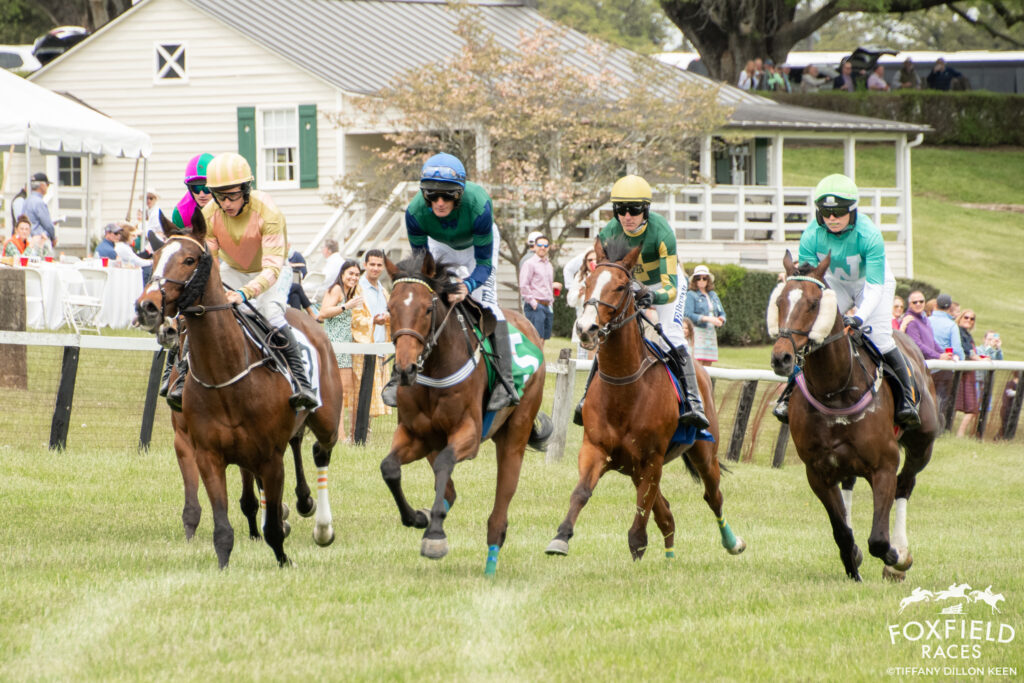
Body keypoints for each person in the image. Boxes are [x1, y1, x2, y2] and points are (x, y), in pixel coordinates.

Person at [773, 173, 921, 428]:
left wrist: (859, 316)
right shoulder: (811, 235)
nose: (832, 218)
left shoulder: (870, 235)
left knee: (881, 340)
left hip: (873, 284)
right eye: (826, 212)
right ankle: (788, 395)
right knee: (809, 335)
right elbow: (809, 281)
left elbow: (874, 287)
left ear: (852, 211)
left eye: (839, 212)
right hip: (836, 283)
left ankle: (909, 398)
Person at [384, 152, 518, 411]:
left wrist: (466, 287)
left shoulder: (479, 207)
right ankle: (396, 375)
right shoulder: (414, 213)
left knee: (488, 304)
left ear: (460, 194)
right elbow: (418, 271)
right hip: (438, 245)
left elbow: (484, 266)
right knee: (416, 302)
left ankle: (505, 382)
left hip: (475, 250)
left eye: (448, 196)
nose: (440, 202)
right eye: (432, 195)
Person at [576, 174, 708, 429]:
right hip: (631, 284)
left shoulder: (662, 232)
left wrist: (652, 296)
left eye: (634, 209)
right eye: (621, 209)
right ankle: (586, 397)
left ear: (645, 210)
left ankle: (693, 402)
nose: (627, 216)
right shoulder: (608, 232)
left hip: (665, 285)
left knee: (672, 334)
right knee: (607, 332)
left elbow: (670, 288)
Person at [196, 152, 317, 410]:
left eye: (232, 195)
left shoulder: (268, 210)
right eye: (220, 196)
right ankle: (182, 374)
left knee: (270, 313)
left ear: (246, 190)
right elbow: (212, 264)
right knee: (207, 309)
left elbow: (271, 268)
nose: (226, 203)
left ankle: (301, 381)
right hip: (233, 269)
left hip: (271, 270)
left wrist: (244, 294)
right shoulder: (209, 213)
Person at [318, 259, 362, 442]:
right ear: (342, 274)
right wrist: (346, 306)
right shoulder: (336, 290)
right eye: (350, 273)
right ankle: (340, 435)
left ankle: (342, 433)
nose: (353, 277)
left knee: (343, 391)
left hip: (345, 346)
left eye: (357, 275)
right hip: (335, 346)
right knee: (340, 392)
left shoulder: (350, 292)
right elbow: (322, 313)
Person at [354, 248, 392, 427]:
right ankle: (357, 434)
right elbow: (354, 318)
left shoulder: (383, 292)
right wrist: (373, 321)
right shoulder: (358, 289)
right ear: (365, 265)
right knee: (360, 393)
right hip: (362, 347)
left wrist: (387, 319)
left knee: (371, 396)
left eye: (379, 265)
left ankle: (364, 433)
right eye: (372, 265)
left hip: (380, 346)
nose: (375, 268)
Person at [518, 233, 559, 349]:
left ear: (548, 248)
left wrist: (551, 303)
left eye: (545, 246)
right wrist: (533, 303)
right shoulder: (529, 264)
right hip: (535, 305)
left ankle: (540, 364)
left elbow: (546, 286)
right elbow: (524, 285)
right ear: (534, 247)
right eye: (540, 245)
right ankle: (534, 364)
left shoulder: (549, 265)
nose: (543, 247)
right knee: (534, 338)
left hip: (547, 306)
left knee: (543, 338)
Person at [928, 293, 964, 418]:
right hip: (945, 369)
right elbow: (957, 348)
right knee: (941, 401)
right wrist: (962, 361)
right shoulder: (952, 325)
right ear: (949, 308)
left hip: (926, 366)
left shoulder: (927, 321)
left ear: (936, 305)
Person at [683, 265, 726, 367]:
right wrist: (706, 318)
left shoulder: (713, 295)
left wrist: (721, 320)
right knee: (698, 364)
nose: (701, 281)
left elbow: (722, 313)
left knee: (708, 364)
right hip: (698, 333)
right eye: (698, 278)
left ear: (708, 280)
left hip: (710, 334)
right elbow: (687, 315)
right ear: (694, 280)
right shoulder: (691, 295)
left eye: (704, 278)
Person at [566, 247, 597, 360]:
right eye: (590, 260)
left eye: (596, 259)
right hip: (583, 322)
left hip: (598, 323)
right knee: (583, 358)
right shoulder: (580, 277)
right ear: (585, 262)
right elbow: (570, 301)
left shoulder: (603, 276)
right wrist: (579, 294)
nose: (593, 262)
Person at [954, 309, 981, 438]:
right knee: (954, 403)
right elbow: (964, 349)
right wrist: (977, 358)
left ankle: (959, 433)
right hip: (960, 372)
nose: (969, 320)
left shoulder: (967, 335)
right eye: (966, 317)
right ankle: (949, 430)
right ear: (960, 318)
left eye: (972, 319)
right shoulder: (958, 331)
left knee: (971, 406)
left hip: (968, 372)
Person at [24, 172, 59, 246]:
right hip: (40, 240)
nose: (47, 187)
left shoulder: (27, 200)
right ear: (42, 185)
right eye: (47, 184)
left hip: (28, 239)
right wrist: (53, 238)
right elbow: (48, 225)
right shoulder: (39, 203)